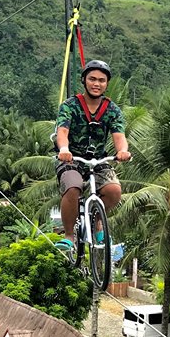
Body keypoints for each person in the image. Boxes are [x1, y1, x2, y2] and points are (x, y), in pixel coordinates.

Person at [53, 60, 131, 244]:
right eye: (92, 79)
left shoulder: (112, 110)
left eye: (102, 80)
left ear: (107, 84)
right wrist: (64, 149)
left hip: (99, 160)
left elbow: (119, 136)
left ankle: (97, 222)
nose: (97, 84)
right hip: (71, 158)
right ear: (84, 80)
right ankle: (69, 235)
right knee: (73, 187)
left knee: (114, 191)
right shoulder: (70, 106)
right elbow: (62, 131)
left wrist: (123, 151)